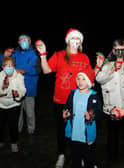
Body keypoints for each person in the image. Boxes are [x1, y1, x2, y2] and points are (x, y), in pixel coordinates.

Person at [35, 28, 93, 168]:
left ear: (81, 42)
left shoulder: (84, 57)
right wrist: (43, 55)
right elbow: (46, 70)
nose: (75, 41)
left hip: (79, 100)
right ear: (68, 41)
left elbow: (90, 76)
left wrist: (97, 68)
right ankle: (61, 154)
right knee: (61, 130)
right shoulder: (59, 55)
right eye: (72, 38)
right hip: (60, 100)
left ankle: (80, 155)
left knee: (79, 129)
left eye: (77, 38)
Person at [95, 39, 124, 161]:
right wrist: (111, 71)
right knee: (112, 134)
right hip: (112, 107)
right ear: (113, 51)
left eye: (122, 50)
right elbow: (99, 79)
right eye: (117, 50)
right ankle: (112, 156)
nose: (120, 52)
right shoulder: (107, 65)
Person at [63, 68, 102, 168]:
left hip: (87, 133)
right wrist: (66, 113)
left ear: (89, 81)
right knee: (75, 158)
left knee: (89, 158)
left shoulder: (94, 96)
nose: (80, 82)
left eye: (83, 79)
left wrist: (91, 116)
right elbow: (68, 107)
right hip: (74, 133)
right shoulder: (73, 93)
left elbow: (98, 113)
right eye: (78, 79)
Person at [12, 34, 40, 134]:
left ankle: (31, 129)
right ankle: (18, 129)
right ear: (18, 42)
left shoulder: (35, 54)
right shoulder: (14, 54)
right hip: (16, 87)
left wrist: (23, 70)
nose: (23, 42)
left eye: (26, 40)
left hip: (29, 87)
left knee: (29, 112)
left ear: (29, 42)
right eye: (21, 40)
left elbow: (37, 70)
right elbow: (6, 64)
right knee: (17, 111)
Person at [0, 57, 26, 152]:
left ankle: (14, 142)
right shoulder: (0, 76)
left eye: (11, 66)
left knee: (13, 125)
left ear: (14, 66)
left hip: (14, 105)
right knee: (0, 125)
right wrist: (3, 88)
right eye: (6, 66)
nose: (8, 68)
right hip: (1, 105)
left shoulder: (19, 76)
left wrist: (18, 94)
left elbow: (23, 89)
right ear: (3, 67)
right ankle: (1, 140)